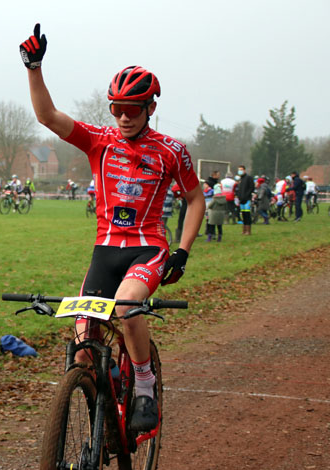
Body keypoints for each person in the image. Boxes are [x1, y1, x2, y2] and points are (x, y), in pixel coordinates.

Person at [20, 24, 204, 432]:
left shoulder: (172, 151)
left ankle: (143, 385)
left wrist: (183, 250)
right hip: (105, 251)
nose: (122, 117)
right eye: (115, 108)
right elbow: (48, 116)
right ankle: (102, 409)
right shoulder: (99, 141)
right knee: (83, 349)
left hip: (148, 249)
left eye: (132, 109)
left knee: (126, 306)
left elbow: (196, 199)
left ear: (150, 108)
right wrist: (34, 67)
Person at [237, 165, 254, 234]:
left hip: (247, 199)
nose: (240, 171)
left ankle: (248, 230)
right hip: (241, 200)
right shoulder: (240, 179)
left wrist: (246, 196)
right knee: (243, 214)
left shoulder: (249, 178)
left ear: (244, 170)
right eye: (239, 170)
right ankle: (244, 230)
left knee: (247, 215)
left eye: (241, 170)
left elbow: (251, 188)